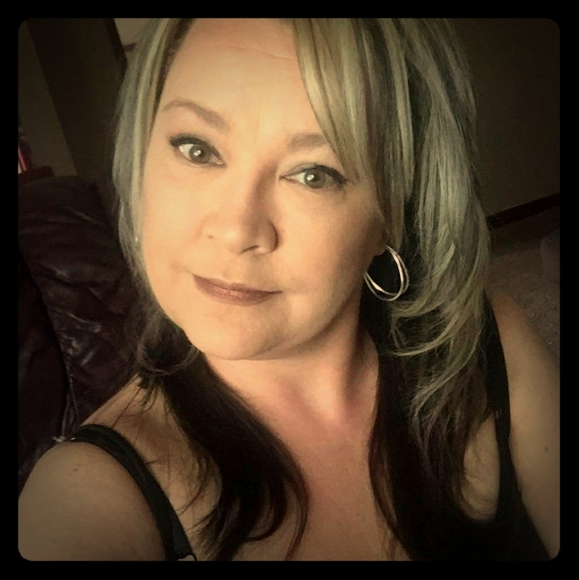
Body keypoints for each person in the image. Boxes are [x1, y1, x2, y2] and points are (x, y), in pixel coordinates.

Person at [18, 18, 559, 561]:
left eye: (314, 174)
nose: (237, 230)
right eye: (197, 149)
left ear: (391, 215)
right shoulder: (84, 498)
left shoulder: (490, 343)